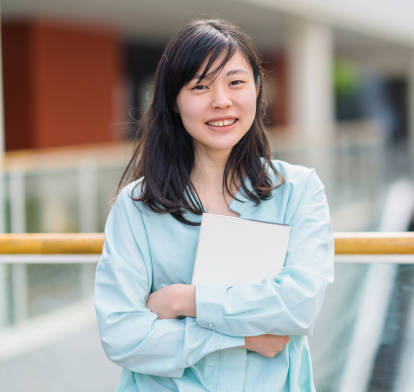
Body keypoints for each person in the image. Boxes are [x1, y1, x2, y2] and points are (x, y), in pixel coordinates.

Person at [94, 19, 334, 391]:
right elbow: (122, 335)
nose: (221, 100)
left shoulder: (298, 191)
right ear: (174, 101)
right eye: (200, 86)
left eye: (235, 82)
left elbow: (299, 305)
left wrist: (186, 300)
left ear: (256, 89)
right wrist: (240, 337)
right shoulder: (136, 206)